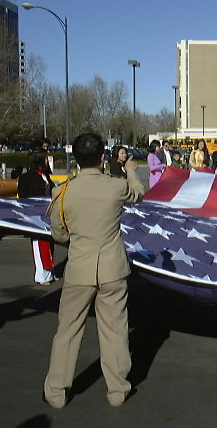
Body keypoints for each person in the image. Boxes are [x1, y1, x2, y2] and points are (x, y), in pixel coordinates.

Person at [43, 133, 145, 409]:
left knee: (68, 330)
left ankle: (56, 391)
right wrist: (131, 171)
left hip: (79, 269)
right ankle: (117, 389)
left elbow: (59, 235)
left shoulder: (63, 192)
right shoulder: (116, 186)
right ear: (102, 159)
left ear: (77, 159)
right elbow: (138, 193)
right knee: (114, 330)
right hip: (112, 269)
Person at [18, 151, 56, 285]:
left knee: (49, 244)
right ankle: (42, 276)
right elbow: (23, 197)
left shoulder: (45, 176)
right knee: (39, 244)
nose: (47, 161)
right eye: (45, 158)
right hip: (35, 216)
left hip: (47, 214)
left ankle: (50, 272)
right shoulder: (27, 177)